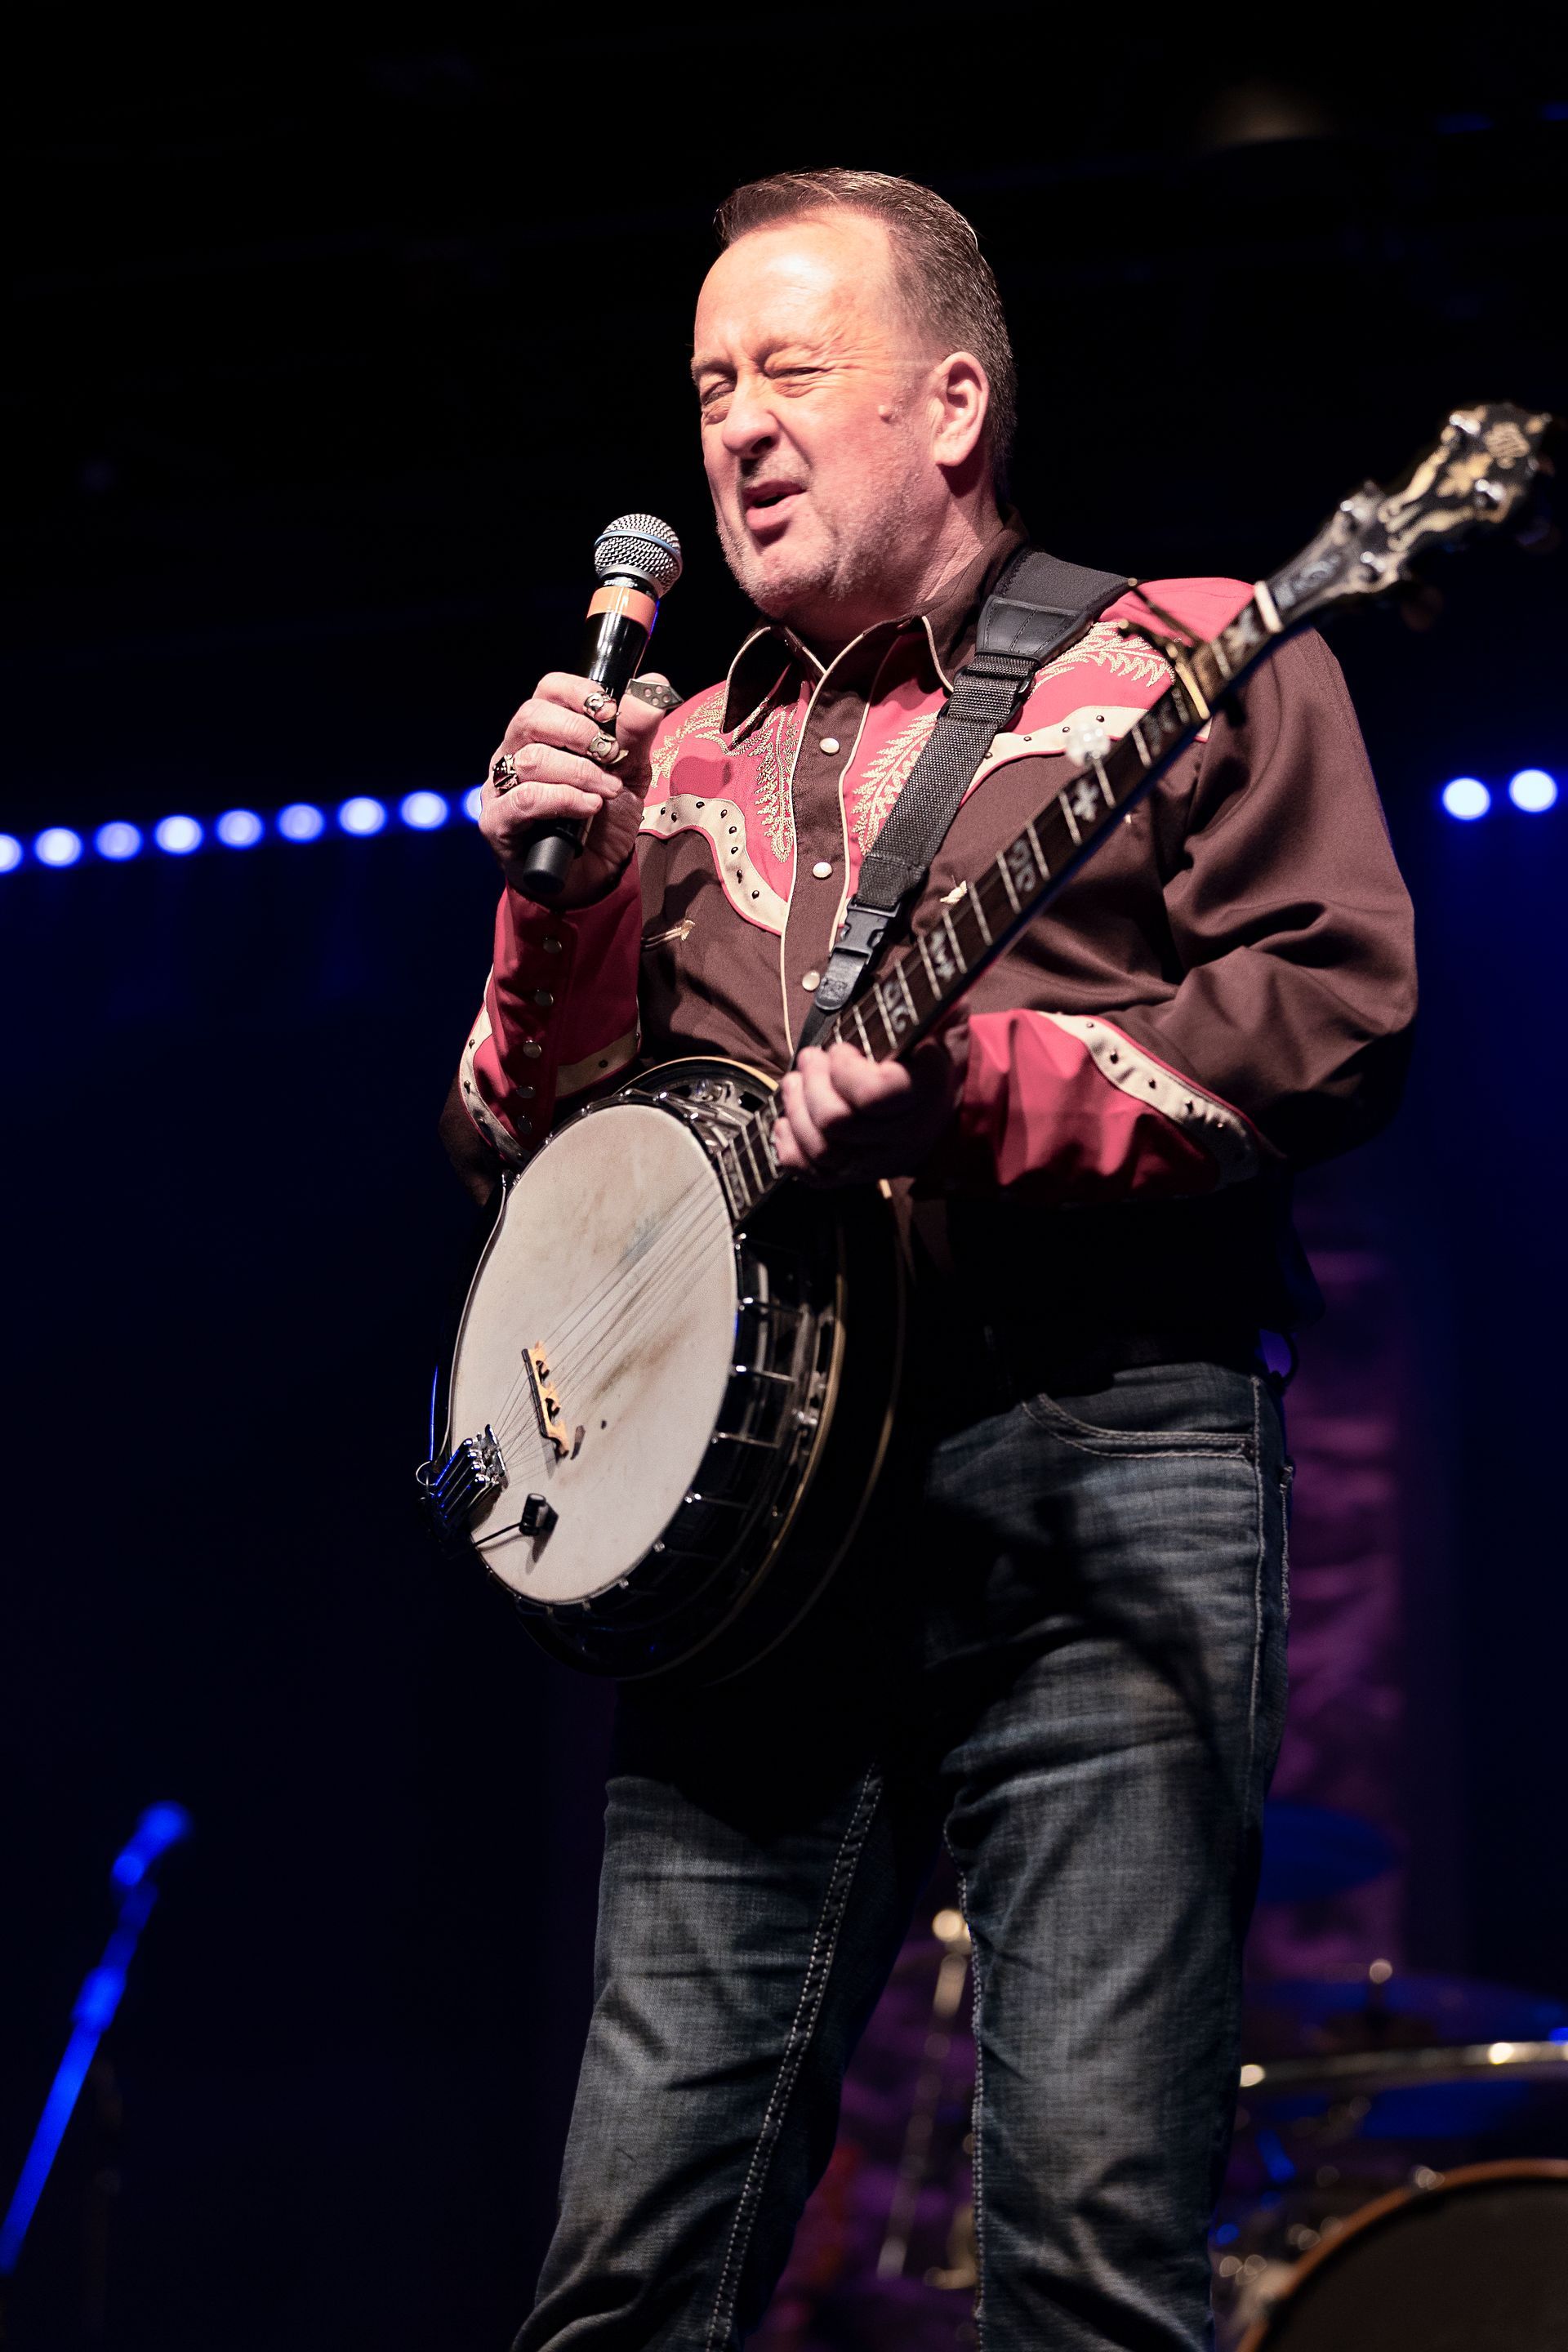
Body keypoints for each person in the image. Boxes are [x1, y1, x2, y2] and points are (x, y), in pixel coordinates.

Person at [440, 170, 1415, 2352]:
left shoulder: (1180, 654)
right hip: (754, 1533)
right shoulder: (665, 750)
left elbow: (1337, 1009)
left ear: (953, 401)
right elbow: (551, 1174)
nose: (736, 432)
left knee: (1082, 2264)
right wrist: (560, 900)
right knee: (626, 2273)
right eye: (709, 390)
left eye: (791, 372)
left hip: (1103, 1467)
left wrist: (989, 1091)